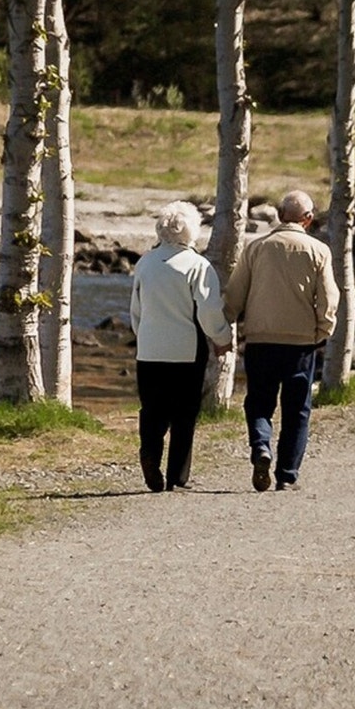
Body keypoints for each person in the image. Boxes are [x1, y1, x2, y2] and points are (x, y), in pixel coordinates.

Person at [223, 189, 339, 492]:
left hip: (261, 338)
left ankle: (261, 445)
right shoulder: (318, 250)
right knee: (297, 409)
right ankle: (287, 473)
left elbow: (235, 293)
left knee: (260, 401)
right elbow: (328, 298)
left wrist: (225, 324)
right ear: (309, 219)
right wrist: (322, 331)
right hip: (301, 341)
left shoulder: (256, 247)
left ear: (278, 215)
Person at [129, 201, 233, 492]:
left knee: (152, 409)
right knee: (184, 413)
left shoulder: (145, 263)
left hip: (148, 349)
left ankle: (149, 452)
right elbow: (209, 312)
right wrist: (223, 339)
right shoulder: (198, 266)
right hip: (186, 350)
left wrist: (143, 335)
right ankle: (177, 475)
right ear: (191, 231)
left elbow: (136, 310)